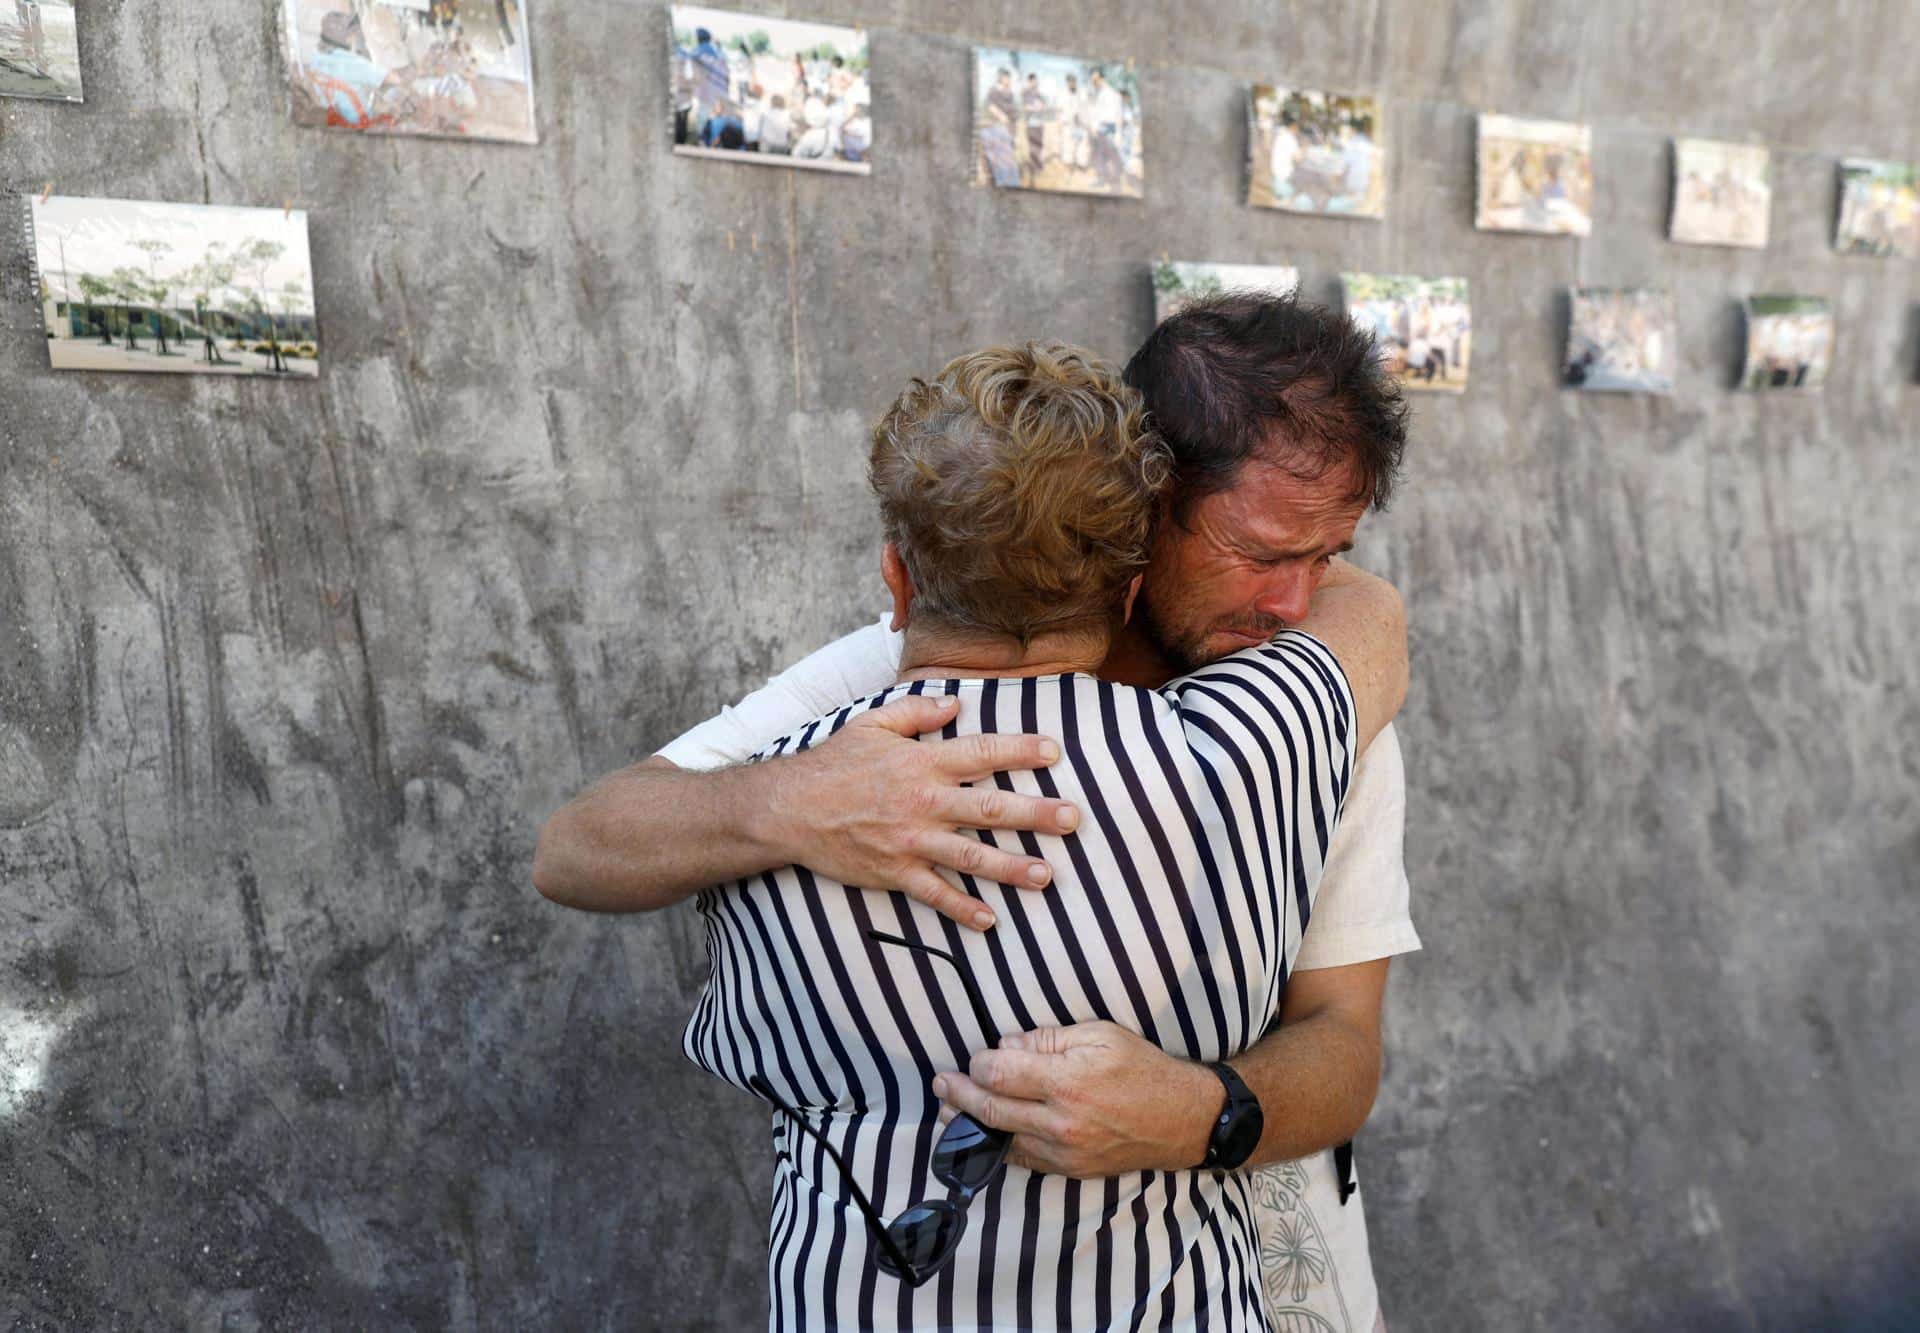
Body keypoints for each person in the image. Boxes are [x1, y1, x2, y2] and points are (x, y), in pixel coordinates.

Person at [535, 295, 1419, 1331]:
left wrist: (1197, 1111)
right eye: (1261, 551)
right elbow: (576, 847)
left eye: (1329, 556)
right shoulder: (887, 683)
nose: (1294, 603)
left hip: (1277, 1279)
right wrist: (787, 798)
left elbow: (1345, 1041)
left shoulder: (1317, 710)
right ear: (1143, 513)